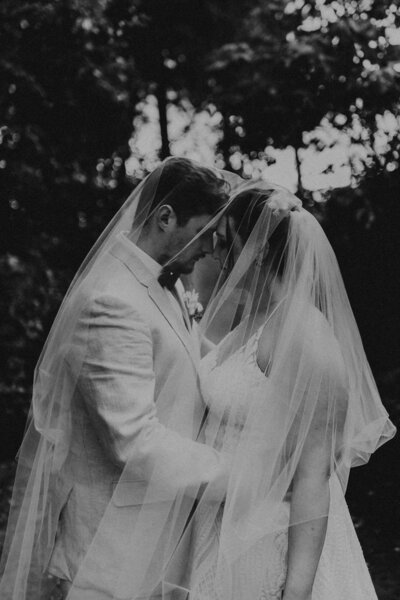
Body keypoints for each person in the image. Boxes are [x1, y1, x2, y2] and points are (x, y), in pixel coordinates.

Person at [0, 157, 234, 600]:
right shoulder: (111, 301)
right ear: (165, 217)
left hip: (157, 534)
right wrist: (237, 475)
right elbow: (133, 439)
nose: (211, 249)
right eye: (205, 232)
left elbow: (187, 372)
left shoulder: (166, 284)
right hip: (110, 549)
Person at [178, 182, 396, 600]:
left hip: (271, 540)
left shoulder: (307, 338)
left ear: (257, 251)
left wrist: (296, 591)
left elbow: (314, 476)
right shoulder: (252, 321)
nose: (217, 257)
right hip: (220, 526)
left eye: (225, 244)